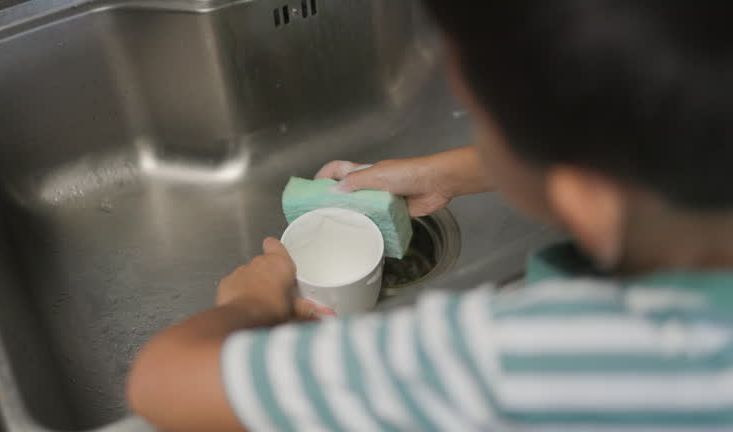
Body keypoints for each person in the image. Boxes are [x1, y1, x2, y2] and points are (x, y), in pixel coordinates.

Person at [127, 1, 733, 431]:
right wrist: (453, 172)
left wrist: (251, 304)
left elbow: (162, 384)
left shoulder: (511, 360)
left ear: (588, 202)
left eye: (480, 119)